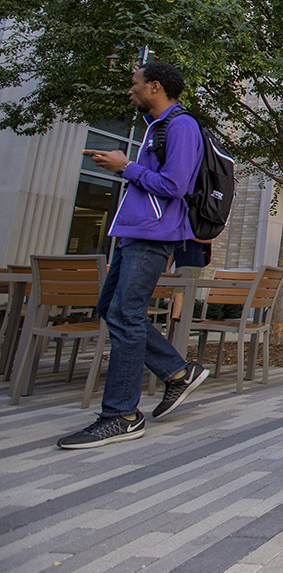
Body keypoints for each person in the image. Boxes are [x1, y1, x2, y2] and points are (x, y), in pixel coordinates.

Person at [58, 61, 210, 449]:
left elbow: (175, 186)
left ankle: (122, 415)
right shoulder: (155, 129)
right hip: (132, 234)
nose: (131, 90)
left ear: (155, 87)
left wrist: (126, 167)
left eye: (135, 84)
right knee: (112, 309)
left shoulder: (181, 126)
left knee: (127, 314)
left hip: (154, 235)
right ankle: (177, 372)